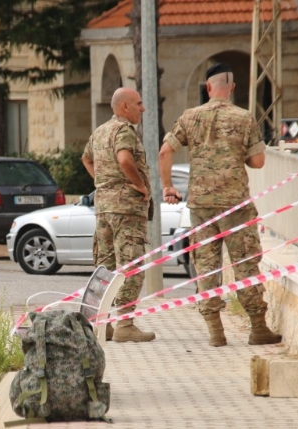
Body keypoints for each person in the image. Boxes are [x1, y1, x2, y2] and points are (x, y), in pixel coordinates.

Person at [158, 62, 281, 347]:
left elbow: (165, 152)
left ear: (208, 87)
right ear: (233, 88)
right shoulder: (244, 118)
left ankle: (215, 331)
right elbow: (258, 162)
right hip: (235, 205)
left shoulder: (190, 117)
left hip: (201, 205)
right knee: (245, 264)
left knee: (206, 266)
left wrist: (168, 186)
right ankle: (258, 328)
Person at [81, 87, 155, 343]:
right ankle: (125, 324)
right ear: (125, 107)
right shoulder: (124, 131)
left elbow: (86, 159)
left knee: (106, 267)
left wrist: (104, 183)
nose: (143, 108)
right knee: (130, 264)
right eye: (139, 103)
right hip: (126, 209)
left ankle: (104, 324)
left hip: (104, 207)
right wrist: (140, 185)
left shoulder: (100, 131)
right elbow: (124, 160)